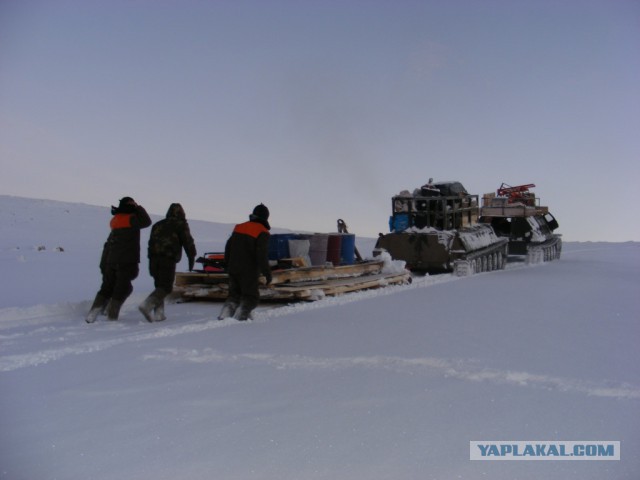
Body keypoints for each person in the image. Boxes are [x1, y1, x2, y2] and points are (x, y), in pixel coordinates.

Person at [85, 197, 151, 323]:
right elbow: (147, 221)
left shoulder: (115, 219)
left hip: (111, 259)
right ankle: (112, 315)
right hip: (126, 260)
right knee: (123, 288)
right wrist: (138, 207)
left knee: (107, 286)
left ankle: (93, 313)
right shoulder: (131, 219)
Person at [138, 203, 197, 322]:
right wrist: (191, 257)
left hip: (154, 259)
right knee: (166, 287)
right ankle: (147, 305)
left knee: (159, 286)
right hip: (168, 259)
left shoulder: (157, 225)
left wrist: (150, 259)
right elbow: (188, 242)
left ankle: (159, 314)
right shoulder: (180, 224)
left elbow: (151, 243)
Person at [218, 204, 272, 321]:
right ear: (265, 217)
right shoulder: (262, 231)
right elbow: (261, 254)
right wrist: (267, 272)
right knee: (251, 297)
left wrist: (227, 263)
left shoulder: (239, 227)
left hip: (233, 267)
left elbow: (229, 246)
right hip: (249, 270)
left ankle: (225, 314)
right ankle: (240, 317)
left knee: (234, 295)